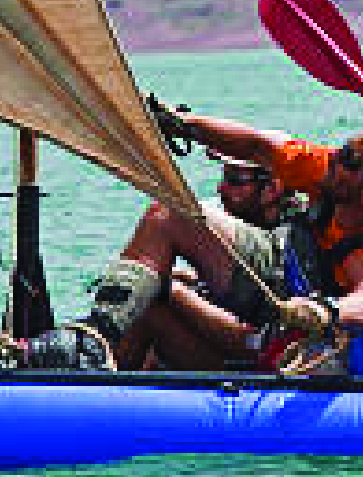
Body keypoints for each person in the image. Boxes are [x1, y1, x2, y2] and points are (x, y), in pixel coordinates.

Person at [0, 106, 363, 372]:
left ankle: (93, 360)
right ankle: (94, 353)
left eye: (347, 158)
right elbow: (257, 146)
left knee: (171, 241)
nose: (334, 159)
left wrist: (322, 310)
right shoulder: (333, 177)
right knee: (162, 251)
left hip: (303, 334)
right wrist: (181, 123)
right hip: (279, 288)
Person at [114, 155, 296, 371]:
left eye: (234, 180)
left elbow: (258, 342)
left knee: (152, 298)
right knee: (148, 305)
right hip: (233, 348)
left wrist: (172, 291)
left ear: (272, 190)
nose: (221, 189)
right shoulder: (244, 242)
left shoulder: (290, 249)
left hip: (257, 364)